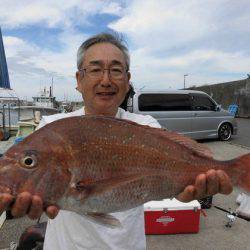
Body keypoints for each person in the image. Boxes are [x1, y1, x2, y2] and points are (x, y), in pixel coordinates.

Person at [0, 32, 233, 249]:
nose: (106, 80)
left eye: (116, 70)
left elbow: (179, 192)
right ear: (79, 80)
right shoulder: (50, 129)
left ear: (127, 79)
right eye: (95, 70)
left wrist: (192, 190)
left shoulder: (147, 126)